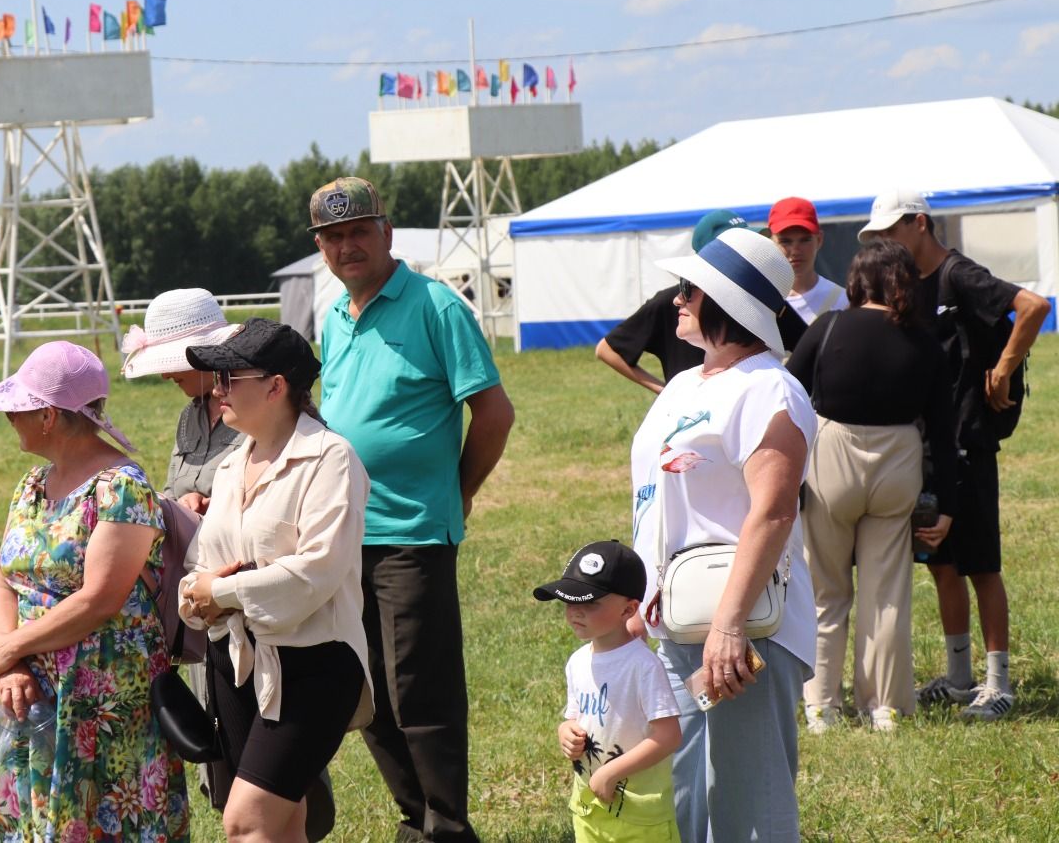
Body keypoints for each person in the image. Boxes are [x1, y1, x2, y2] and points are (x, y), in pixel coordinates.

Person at [309, 176, 515, 843]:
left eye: (359, 231)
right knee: (365, 689)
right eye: (334, 237)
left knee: (418, 691)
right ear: (320, 246)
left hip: (414, 532)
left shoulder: (435, 307)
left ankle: (447, 828)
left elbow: (493, 413)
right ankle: (415, 818)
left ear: (386, 231)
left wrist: (461, 488)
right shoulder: (334, 316)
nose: (348, 246)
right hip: (345, 534)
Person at [628, 226, 817, 843]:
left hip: (745, 628)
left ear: (729, 304)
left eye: (690, 288)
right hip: (682, 622)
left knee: (748, 809)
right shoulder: (687, 383)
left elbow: (773, 513)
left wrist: (729, 626)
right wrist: (641, 595)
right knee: (691, 802)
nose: (677, 298)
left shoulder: (770, 391)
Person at [0, 341, 189, 843]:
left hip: (103, 695)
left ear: (48, 415)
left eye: (17, 407)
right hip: (37, 691)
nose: (8, 416)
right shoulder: (32, 484)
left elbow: (101, 599)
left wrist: (13, 646)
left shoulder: (122, 488)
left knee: (108, 818)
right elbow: (3, 577)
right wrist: (11, 665)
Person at [178, 319, 373, 843]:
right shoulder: (229, 466)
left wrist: (218, 593)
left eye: (227, 377)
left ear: (276, 385)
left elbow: (317, 570)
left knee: (246, 822)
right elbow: (199, 564)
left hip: (315, 666)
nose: (216, 390)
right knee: (286, 825)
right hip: (236, 663)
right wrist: (197, 599)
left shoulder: (332, 458)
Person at [859, 190, 1047, 721]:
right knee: (941, 565)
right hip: (927, 445)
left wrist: (1004, 369)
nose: (885, 243)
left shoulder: (959, 274)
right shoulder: (905, 287)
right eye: (877, 237)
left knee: (981, 564)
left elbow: (1033, 307)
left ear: (920, 223)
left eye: (892, 232)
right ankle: (961, 678)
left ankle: (999, 684)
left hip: (969, 440)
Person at [786, 239, 957, 733]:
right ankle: (883, 705)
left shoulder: (828, 326)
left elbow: (787, 390)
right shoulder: (925, 342)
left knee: (825, 590)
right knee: (886, 594)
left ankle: (820, 704)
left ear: (859, 280)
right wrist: (945, 504)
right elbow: (944, 434)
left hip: (832, 456)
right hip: (898, 461)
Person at [534, 541, 681, 843]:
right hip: (588, 807)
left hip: (641, 816)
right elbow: (575, 716)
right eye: (569, 602)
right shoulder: (577, 661)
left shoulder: (643, 666)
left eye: (590, 604)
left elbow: (668, 736)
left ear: (628, 609)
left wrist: (611, 772)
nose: (575, 612)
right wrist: (565, 731)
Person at [597, 212, 809, 395]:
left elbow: (808, 347)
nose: (680, 299)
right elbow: (607, 349)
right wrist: (665, 391)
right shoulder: (668, 303)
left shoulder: (758, 305)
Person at [120, 287, 243, 515]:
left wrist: (209, 504)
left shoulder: (254, 410)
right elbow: (171, 491)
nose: (165, 375)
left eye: (171, 363)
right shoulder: (189, 416)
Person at [768, 197, 848, 324]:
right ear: (770, 242)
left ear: (819, 240)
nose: (795, 251)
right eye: (785, 241)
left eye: (805, 240)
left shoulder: (842, 301)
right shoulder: (761, 301)